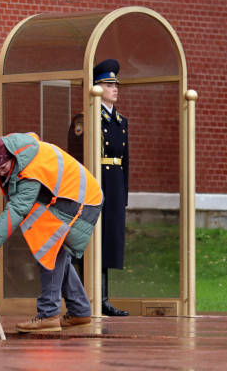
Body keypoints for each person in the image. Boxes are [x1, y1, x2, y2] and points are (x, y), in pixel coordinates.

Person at [0, 132, 103, 332]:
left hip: (79, 201)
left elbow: (17, 209)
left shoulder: (30, 170)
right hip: (63, 197)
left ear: (11, 158)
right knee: (55, 252)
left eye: (3, 169)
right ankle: (79, 311)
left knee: (49, 249)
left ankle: (48, 315)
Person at [94, 59, 130, 316]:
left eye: (115, 84)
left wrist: (124, 192)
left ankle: (104, 298)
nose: (115, 88)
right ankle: (91, 297)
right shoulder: (89, 117)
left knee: (110, 242)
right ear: (97, 87)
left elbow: (125, 159)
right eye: (108, 84)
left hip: (114, 184)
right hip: (98, 182)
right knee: (94, 240)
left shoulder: (120, 120)